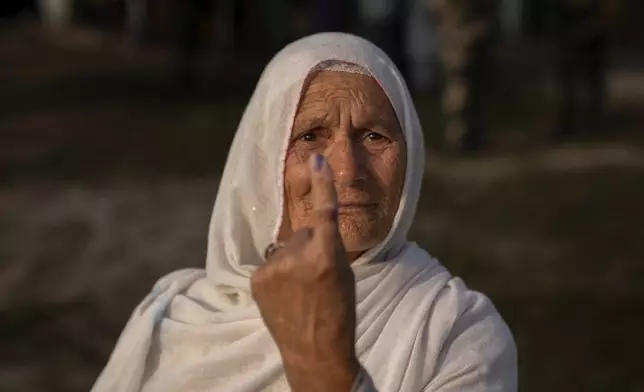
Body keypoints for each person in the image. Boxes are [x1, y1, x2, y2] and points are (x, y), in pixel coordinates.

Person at [91, 33, 517, 392]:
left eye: (374, 136)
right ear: (262, 163)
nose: (348, 172)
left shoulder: (454, 332)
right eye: (311, 136)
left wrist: (326, 368)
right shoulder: (171, 318)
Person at [428, 0, 500, 153]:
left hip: (470, 26)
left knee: (472, 82)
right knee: (459, 81)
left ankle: (471, 136)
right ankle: (460, 137)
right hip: (457, 28)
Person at [553, 0, 618, 140]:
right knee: (570, 74)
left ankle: (594, 120)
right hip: (572, 21)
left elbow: (608, 8)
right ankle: (570, 120)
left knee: (593, 76)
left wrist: (599, 21)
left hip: (594, 23)